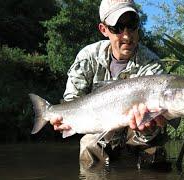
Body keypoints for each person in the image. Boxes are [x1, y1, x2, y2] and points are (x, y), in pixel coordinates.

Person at [50, 0, 170, 169]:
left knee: (154, 156)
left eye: (132, 25)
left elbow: (160, 119)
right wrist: (62, 118)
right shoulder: (88, 57)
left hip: (138, 132)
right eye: (117, 28)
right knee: (89, 148)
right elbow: (72, 99)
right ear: (103, 29)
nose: (127, 36)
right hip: (100, 127)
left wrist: (148, 127)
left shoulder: (152, 64)